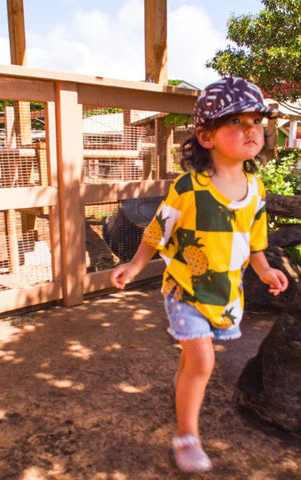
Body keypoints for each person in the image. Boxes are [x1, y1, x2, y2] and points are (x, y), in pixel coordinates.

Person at [110, 77, 289, 473]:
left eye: (256, 121)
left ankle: (183, 388)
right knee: (204, 362)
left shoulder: (256, 188)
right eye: (235, 123)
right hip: (185, 290)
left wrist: (265, 270)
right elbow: (159, 229)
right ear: (206, 137)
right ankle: (186, 436)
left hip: (224, 293)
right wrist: (135, 265)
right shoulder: (189, 188)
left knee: (193, 362)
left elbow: (255, 239)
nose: (251, 130)